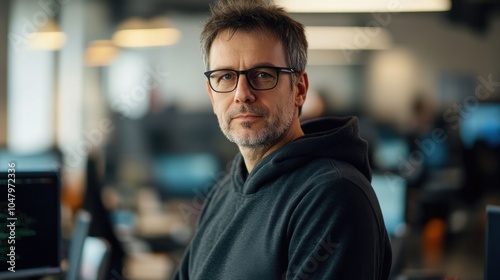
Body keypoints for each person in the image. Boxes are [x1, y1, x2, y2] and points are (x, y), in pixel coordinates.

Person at [173, 0, 392, 279]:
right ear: (211, 94)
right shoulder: (226, 188)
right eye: (226, 76)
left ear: (299, 89)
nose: (242, 94)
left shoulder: (333, 196)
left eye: (263, 75)